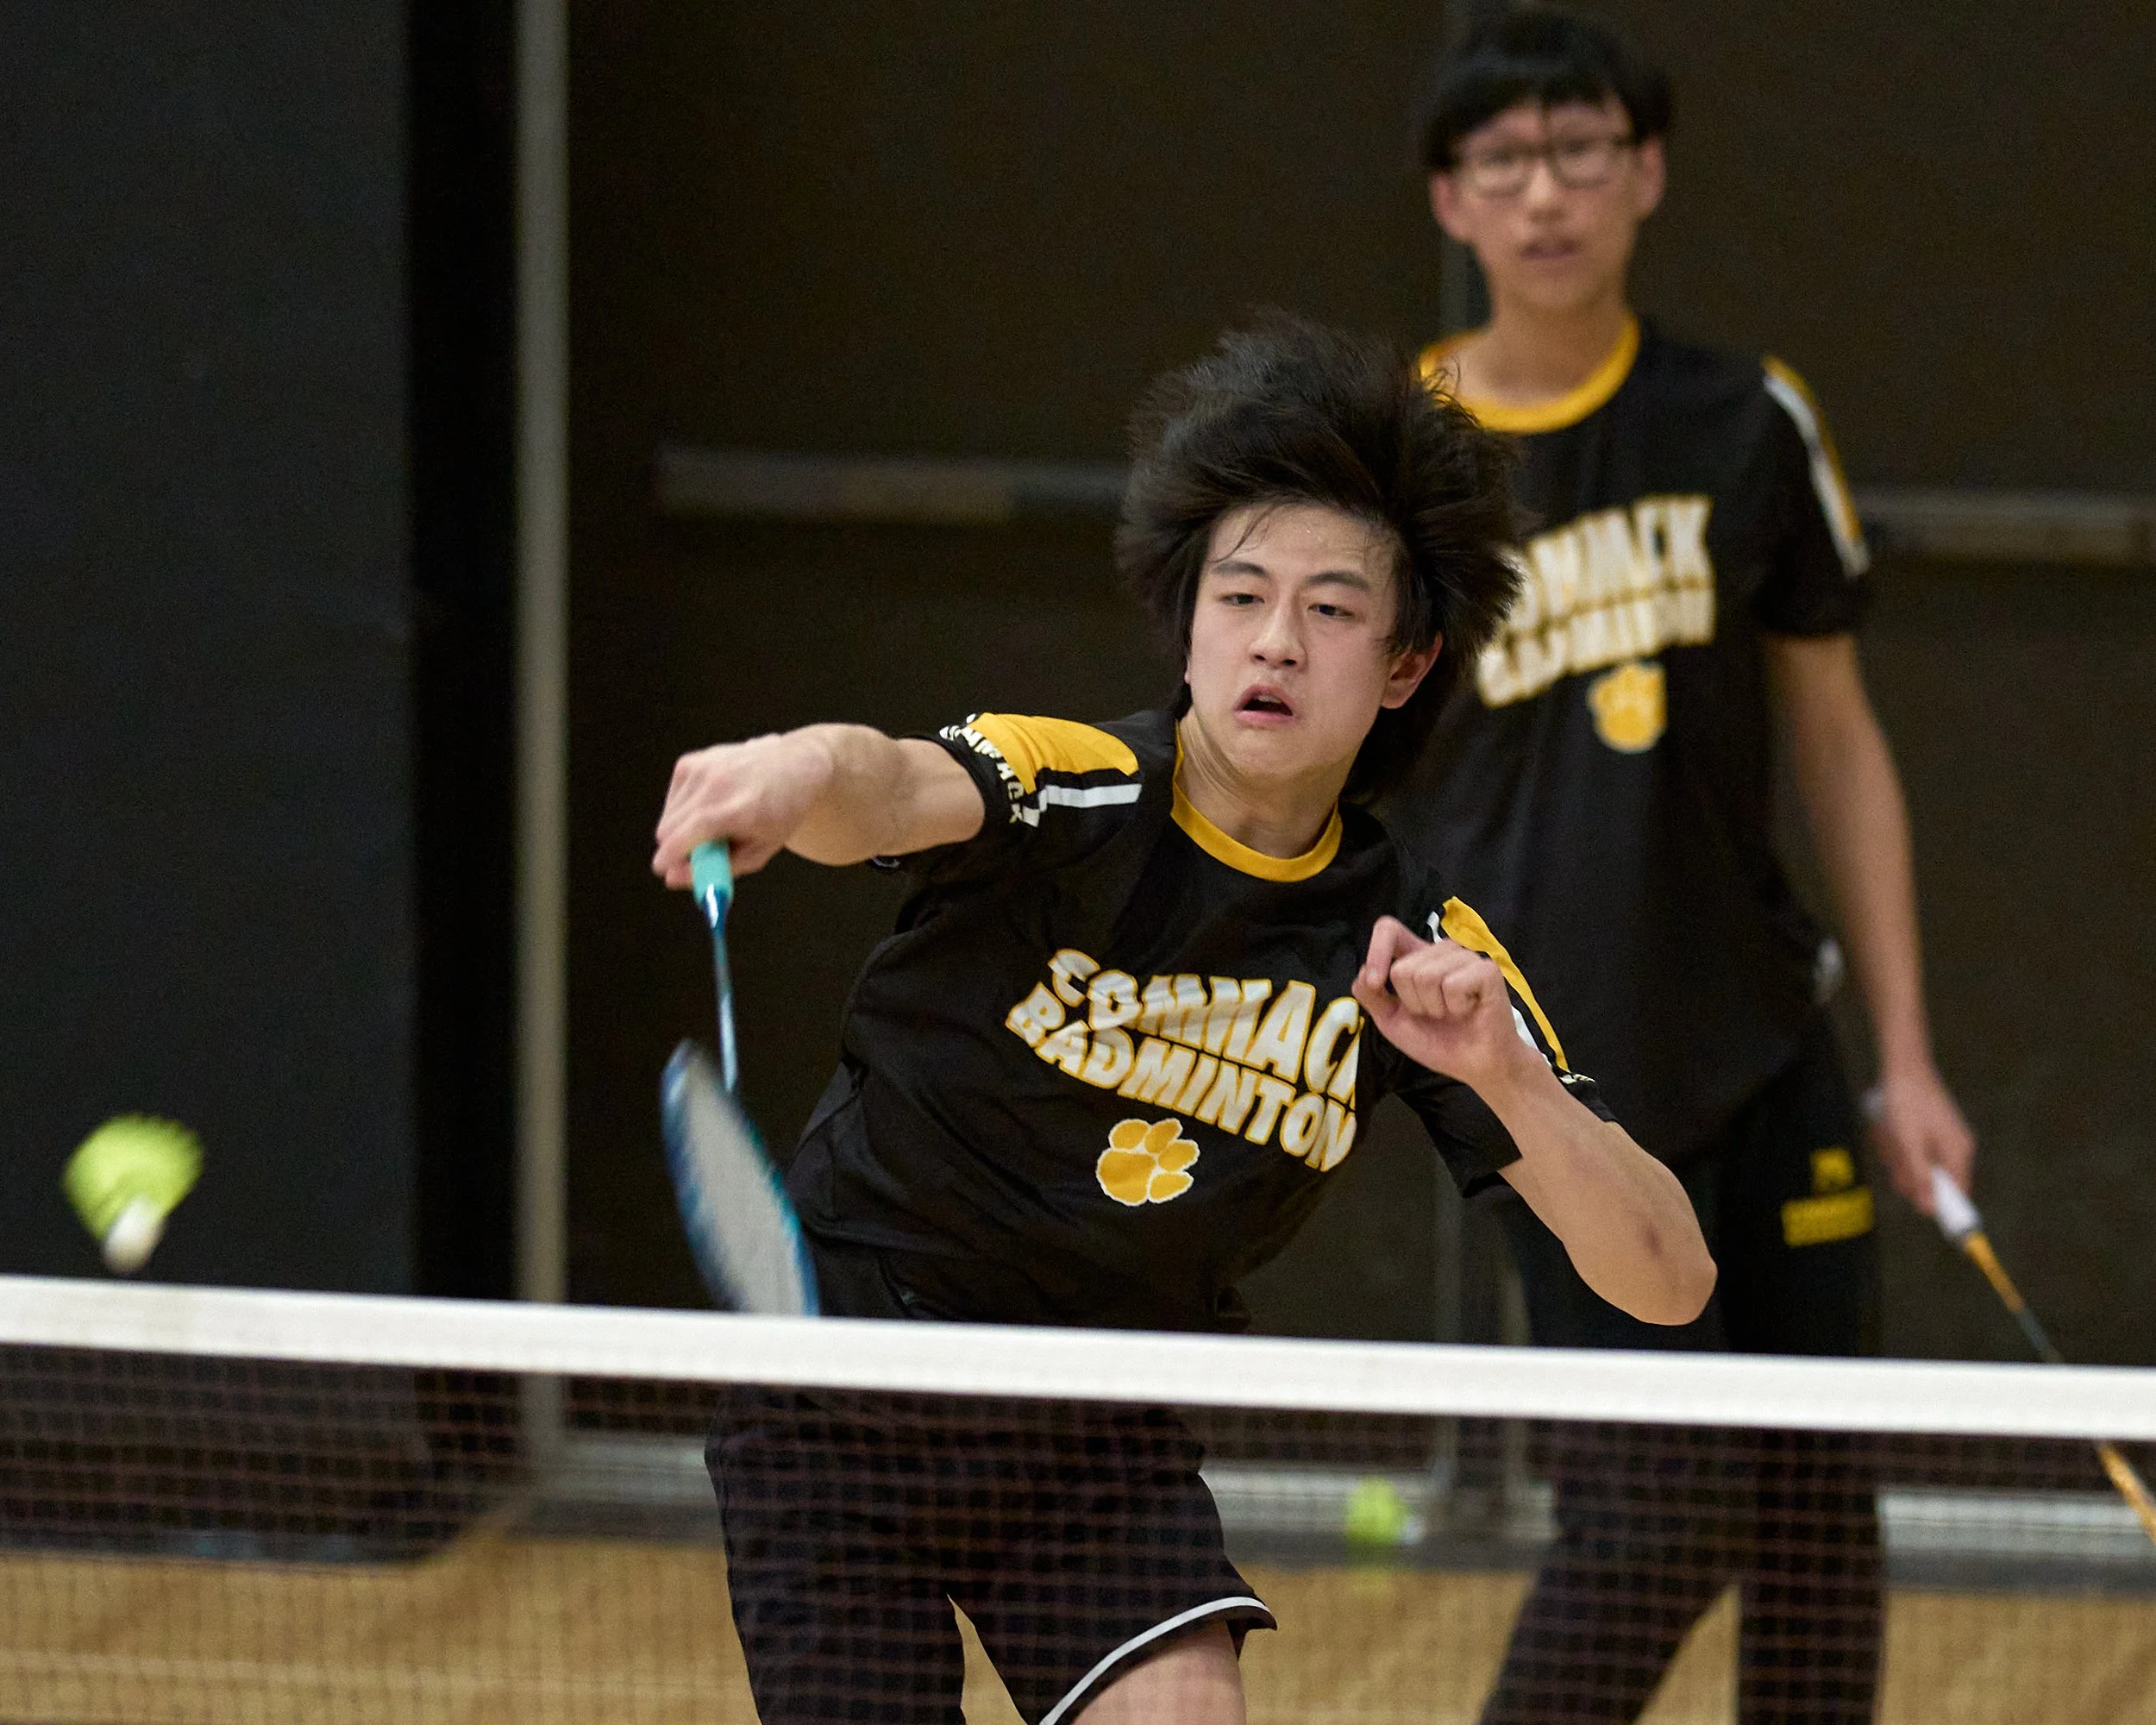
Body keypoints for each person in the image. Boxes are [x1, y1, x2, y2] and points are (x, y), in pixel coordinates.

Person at [651, 317, 1715, 1725]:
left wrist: (1514, 1082)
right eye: (1242, 594)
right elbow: (898, 784)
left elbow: (1670, 1281)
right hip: (845, 1381)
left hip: (1096, 1432)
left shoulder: (1412, 945)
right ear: (1189, 616)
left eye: (1333, 609)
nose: (1277, 640)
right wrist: (791, 771)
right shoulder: (1077, 789)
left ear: (1405, 664)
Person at [1399, 11, 1979, 1724]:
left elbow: (1838, 737)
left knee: (1814, 1506)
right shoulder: (1392, 458)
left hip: (1764, 1043)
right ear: (1449, 201)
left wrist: (1907, 1054)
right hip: (1546, 1071)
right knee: (1652, 1514)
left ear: (1642, 171)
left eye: (1579, 148)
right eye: (1502, 160)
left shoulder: (1743, 421)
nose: (1546, 193)